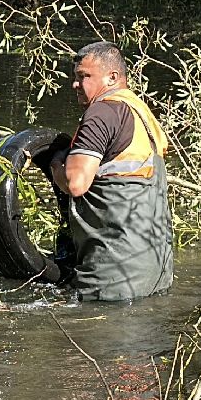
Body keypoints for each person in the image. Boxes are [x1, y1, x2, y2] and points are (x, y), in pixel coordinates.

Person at [46, 42, 174, 301]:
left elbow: (76, 184)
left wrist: (55, 163)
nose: (75, 84)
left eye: (84, 76)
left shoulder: (102, 112)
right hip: (156, 275)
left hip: (111, 281)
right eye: (75, 77)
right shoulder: (140, 112)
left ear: (112, 77)